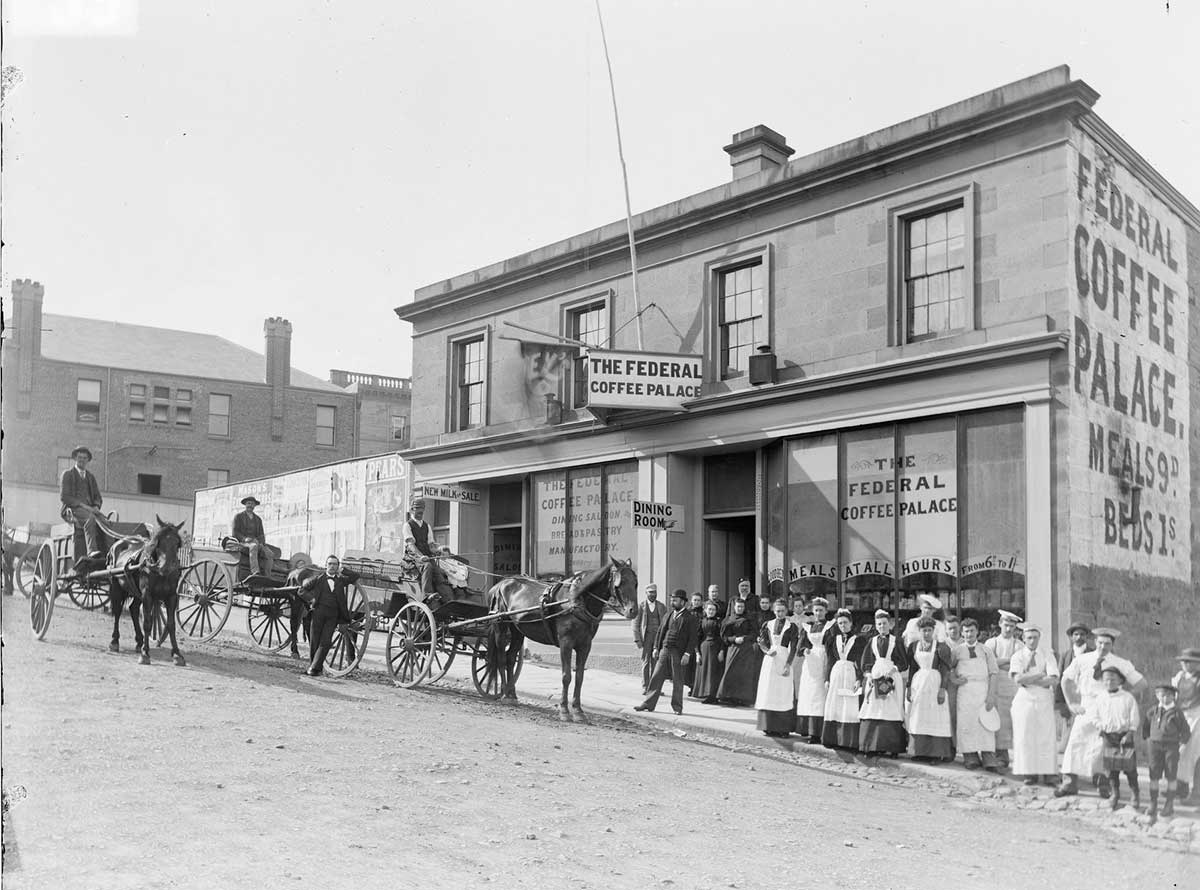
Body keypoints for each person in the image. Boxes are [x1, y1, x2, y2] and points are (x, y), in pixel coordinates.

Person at [1057, 626, 1146, 798]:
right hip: (1086, 705)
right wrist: (1071, 703)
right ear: (1094, 642)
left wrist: (1122, 698)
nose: (1103, 647)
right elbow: (1065, 680)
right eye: (1100, 642)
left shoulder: (1120, 663)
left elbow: (1142, 684)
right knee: (1076, 741)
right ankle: (1069, 783)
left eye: (1107, 643)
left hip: (1108, 707)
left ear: (1112, 645)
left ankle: (1103, 785)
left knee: (1102, 747)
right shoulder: (1082, 659)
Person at [1008, 623, 1059, 785]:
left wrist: (1029, 679)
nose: (1032, 641)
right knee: (1025, 735)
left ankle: (1048, 773)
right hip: (1024, 698)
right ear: (1023, 638)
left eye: (1035, 637)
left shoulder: (1047, 654)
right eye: (1029, 638)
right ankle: (1029, 773)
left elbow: (1053, 679)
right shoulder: (1017, 656)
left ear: (1039, 638)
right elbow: (1018, 679)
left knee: (1046, 736)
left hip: (1043, 698)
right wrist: (1039, 675)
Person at [635, 588, 699, 715]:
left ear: (683, 602)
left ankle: (677, 707)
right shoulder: (668, 615)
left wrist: (687, 654)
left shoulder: (690, 618)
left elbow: (693, 638)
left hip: (678, 653)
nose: (672, 602)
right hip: (664, 650)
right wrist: (656, 648)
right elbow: (660, 632)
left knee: (678, 680)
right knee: (656, 676)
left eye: (675, 600)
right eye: (671, 600)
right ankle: (648, 703)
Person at [1089, 665, 1141, 810]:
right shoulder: (1100, 698)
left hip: (1124, 736)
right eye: (1106, 679)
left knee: (1130, 767)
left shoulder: (1127, 698)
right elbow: (1094, 716)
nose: (1109, 682)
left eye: (1113, 679)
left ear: (1120, 681)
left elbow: (1134, 717)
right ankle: (1115, 793)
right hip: (1108, 736)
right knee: (1111, 768)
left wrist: (1130, 732)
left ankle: (1135, 793)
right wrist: (1101, 726)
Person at [858, 609, 910, 757]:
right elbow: (866, 661)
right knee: (874, 708)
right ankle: (872, 746)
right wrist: (868, 674)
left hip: (891, 677)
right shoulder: (872, 641)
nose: (882, 626)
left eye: (885, 623)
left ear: (890, 624)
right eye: (879, 624)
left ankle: (893, 747)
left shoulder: (896, 641)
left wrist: (894, 669)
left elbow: (904, 662)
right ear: (876, 625)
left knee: (891, 708)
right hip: (876, 676)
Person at [952, 617, 1001, 771]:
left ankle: (988, 757)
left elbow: (994, 673)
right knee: (967, 723)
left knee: (985, 724)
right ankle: (970, 756)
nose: (969, 634)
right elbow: (949, 669)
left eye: (972, 631)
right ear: (962, 633)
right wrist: (955, 680)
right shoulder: (957, 651)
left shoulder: (986, 650)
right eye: (966, 631)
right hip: (965, 692)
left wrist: (991, 695)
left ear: (977, 632)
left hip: (982, 690)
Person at [904, 616, 954, 762]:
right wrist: (909, 687)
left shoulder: (941, 647)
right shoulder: (914, 646)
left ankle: (936, 754)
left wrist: (942, 689)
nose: (926, 633)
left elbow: (945, 670)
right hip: (918, 684)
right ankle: (919, 752)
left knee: (935, 716)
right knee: (919, 716)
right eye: (924, 630)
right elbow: (912, 668)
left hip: (934, 683)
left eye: (929, 630)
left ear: (933, 631)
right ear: (919, 631)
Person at [299, 555, 358, 677]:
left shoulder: (341, 580)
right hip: (318, 613)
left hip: (333, 615)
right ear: (326, 565)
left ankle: (313, 668)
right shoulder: (318, 579)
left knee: (325, 642)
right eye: (330, 564)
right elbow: (301, 591)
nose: (332, 566)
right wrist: (312, 600)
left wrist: (343, 570)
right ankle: (315, 668)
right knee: (315, 641)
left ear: (338, 566)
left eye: (335, 564)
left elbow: (355, 576)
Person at [1142, 683, 1192, 821]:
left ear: (1174, 697)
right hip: (1154, 747)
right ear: (1157, 696)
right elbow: (1146, 727)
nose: (1165, 698)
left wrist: (1181, 745)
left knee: (1171, 775)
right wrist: (1148, 740)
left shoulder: (1176, 712)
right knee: (1154, 774)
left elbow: (1186, 732)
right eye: (1162, 695)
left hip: (1171, 748)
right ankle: (1153, 803)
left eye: (1169, 695)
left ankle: (1169, 804)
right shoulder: (1153, 711)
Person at [984, 608, 1023, 767]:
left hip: (1010, 687)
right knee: (991, 718)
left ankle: (1003, 755)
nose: (1008, 629)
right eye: (1006, 625)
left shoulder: (1019, 645)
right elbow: (989, 664)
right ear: (1000, 623)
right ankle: (989, 753)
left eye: (1012, 626)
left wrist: (999, 662)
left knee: (1006, 722)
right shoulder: (991, 643)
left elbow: (1018, 667)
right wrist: (1008, 660)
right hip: (993, 686)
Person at [755, 598, 799, 737]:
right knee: (769, 690)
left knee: (783, 692)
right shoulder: (767, 624)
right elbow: (762, 641)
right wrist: (767, 651)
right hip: (770, 660)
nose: (780, 613)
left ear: (786, 611)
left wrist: (788, 664)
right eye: (777, 611)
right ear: (774, 611)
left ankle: (783, 728)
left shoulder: (792, 627)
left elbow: (794, 647)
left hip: (784, 658)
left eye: (782, 611)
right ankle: (768, 726)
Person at [822, 608, 865, 750]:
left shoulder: (858, 640)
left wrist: (859, 678)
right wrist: (827, 678)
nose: (843, 626)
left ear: (851, 623)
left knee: (849, 704)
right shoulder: (833, 639)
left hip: (850, 673)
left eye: (845, 622)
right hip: (836, 673)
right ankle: (833, 739)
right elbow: (830, 660)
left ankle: (848, 741)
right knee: (835, 703)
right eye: (840, 623)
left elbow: (861, 661)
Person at [794, 597, 831, 742]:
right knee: (809, 694)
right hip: (810, 662)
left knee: (820, 694)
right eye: (816, 610)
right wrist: (805, 650)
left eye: (821, 610)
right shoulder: (808, 627)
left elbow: (832, 646)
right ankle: (808, 730)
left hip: (824, 659)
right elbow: (800, 647)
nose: (818, 613)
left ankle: (818, 732)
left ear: (826, 611)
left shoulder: (830, 627)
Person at [403, 498, 453, 602]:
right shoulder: (407, 525)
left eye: (422, 510)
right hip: (413, 558)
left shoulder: (427, 526)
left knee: (438, 572)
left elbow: (431, 545)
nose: (420, 512)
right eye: (418, 510)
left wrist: (438, 551)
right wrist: (420, 556)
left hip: (427, 556)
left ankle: (447, 598)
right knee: (428, 566)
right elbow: (411, 545)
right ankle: (426, 594)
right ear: (412, 510)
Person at [1055, 622, 1094, 754]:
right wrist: (1060, 703)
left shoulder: (1092, 654)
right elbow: (1060, 679)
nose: (1079, 637)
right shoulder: (1066, 655)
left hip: (1086, 695)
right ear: (1071, 637)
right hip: (1070, 696)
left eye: (1082, 634)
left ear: (1087, 636)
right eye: (1076, 634)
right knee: (1068, 726)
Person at [59, 445, 104, 558]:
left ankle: (109, 554)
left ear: (88, 460)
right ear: (75, 458)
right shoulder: (67, 474)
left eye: (84, 458)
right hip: (72, 509)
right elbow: (65, 497)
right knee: (90, 518)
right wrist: (84, 506)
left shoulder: (91, 477)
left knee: (106, 522)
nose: (82, 460)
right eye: (79, 457)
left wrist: (96, 506)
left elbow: (98, 497)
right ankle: (91, 551)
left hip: (90, 510)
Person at [716, 598, 758, 707]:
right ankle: (728, 697)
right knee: (730, 672)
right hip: (733, 648)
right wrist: (734, 639)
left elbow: (754, 633)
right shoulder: (729, 620)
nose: (740, 608)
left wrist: (744, 638)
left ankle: (743, 699)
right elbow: (724, 636)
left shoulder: (749, 619)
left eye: (742, 607)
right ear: (734, 607)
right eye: (738, 606)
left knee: (744, 673)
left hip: (746, 649)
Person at [1171, 648, 1200, 803]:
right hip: (1182, 716)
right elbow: (1174, 697)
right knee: (1179, 751)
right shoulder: (1179, 677)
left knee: (1194, 753)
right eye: (1183, 661)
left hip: (1197, 716)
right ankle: (1180, 787)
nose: (1185, 664)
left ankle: (1196, 793)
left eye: (1189, 661)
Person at [632, 584, 669, 694]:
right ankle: (645, 686)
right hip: (646, 638)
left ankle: (655, 688)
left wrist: (665, 640)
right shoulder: (641, 606)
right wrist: (637, 640)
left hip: (658, 638)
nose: (653, 594)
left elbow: (666, 624)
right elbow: (635, 624)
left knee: (656, 663)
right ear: (646, 593)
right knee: (646, 662)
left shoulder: (661, 606)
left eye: (654, 592)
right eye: (650, 592)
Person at [691, 601, 726, 704]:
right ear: (705, 610)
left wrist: (722, 651)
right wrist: (697, 653)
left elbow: (722, 638)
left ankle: (714, 696)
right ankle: (706, 694)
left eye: (713, 610)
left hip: (715, 648)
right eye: (709, 609)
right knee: (705, 672)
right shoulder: (701, 622)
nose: (711, 611)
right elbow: (697, 638)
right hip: (704, 649)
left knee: (714, 672)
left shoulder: (719, 622)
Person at [232, 496, 275, 577]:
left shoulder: (258, 519)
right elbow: (235, 533)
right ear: (245, 505)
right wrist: (245, 539)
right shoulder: (238, 517)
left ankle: (267, 575)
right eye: (248, 503)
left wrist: (261, 543)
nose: (250, 505)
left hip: (256, 542)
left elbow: (261, 535)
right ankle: (255, 572)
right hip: (242, 543)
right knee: (253, 546)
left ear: (254, 506)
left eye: (252, 504)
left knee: (269, 553)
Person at [945, 613, 963, 749]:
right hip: (950, 683)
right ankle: (952, 745)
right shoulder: (943, 644)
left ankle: (965, 745)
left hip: (965, 682)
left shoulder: (965, 641)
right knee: (951, 713)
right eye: (950, 628)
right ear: (946, 630)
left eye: (955, 628)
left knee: (964, 713)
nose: (953, 631)